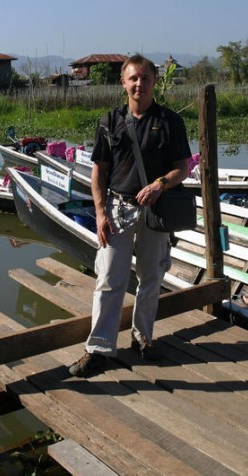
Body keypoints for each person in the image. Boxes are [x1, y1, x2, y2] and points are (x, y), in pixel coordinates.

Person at [68, 54, 192, 378]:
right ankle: (98, 349)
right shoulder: (110, 121)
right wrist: (99, 214)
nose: (139, 84)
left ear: (154, 82)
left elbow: (183, 166)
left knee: (151, 278)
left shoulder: (169, 122)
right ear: (123, 82)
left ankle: (143, 339)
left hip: (156, 210)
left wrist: (160, 184)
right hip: (117, 209)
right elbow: (99, 171)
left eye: (145, 78)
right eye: (133, 78)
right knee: (109, 279)